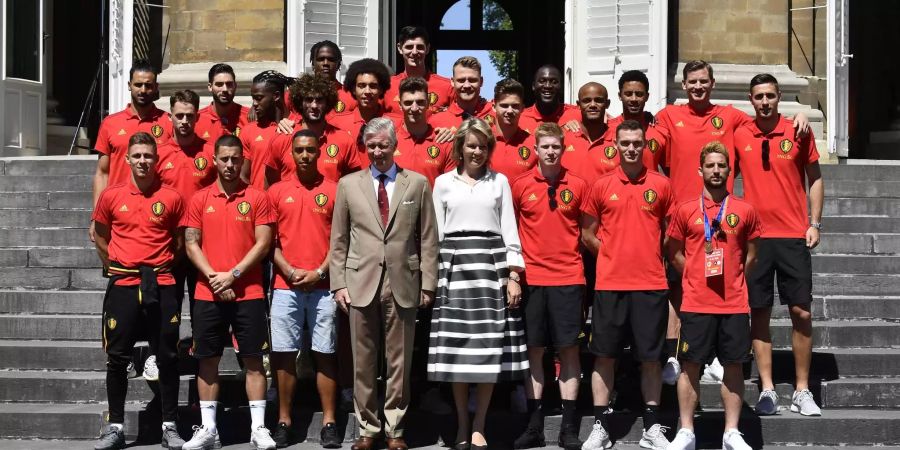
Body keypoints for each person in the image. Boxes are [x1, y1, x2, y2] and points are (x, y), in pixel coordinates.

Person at [654, 60, 806, 384]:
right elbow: (648, 150)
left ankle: (715, 357)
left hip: (723, 216)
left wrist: (798, 118)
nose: (697, 87)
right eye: (692, 81)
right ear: (683, 85)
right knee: (679, 292)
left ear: (713, 84)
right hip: (684, 216)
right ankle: (673, 355)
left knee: (721, 286)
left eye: (703, 81)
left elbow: (764, 120)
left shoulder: (731, 116)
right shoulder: (668, 115)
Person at [330, 117, 439, 450]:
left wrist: (428, 283)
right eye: (372, 145)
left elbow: (429, 239)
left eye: (384, 145)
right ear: (365, 146)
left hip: (402, 283)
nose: (378, 151)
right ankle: (367, 428)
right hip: (359, 282)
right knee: (363, 362)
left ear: (395, 146)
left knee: (399, 361)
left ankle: (395, 429)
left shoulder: (416, 184)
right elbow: (339, 239)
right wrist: (338, 285)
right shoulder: (349, 185)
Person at [429, 117, 529, 450]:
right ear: (460, 148)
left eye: (483, 146)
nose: (477, 151)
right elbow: (435, 236)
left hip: (490, 265)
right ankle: (460, 424)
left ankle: (480, 425)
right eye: (471, 145)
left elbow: (509, 228)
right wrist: (434, 278)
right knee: (458, 352)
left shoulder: (499, 182)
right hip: (454, 270)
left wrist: (513, 275)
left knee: (486, 353)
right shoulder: (443, 183)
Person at [580, 120, 675, 450]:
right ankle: (601, 426)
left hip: (650, 283)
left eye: (638, 142)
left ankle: (652, 427)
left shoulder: (662, 185)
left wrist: (649, 253)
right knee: (604, 357)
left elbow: (669, 233)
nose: (632, 148)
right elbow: (587, 233)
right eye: (626, 143)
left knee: (651, 359)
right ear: (616, 146)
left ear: (645, 145)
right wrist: (609, 254)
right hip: (610, 284)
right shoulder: (601, 186)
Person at [735, 74, 825, 417]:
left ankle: (803, 390)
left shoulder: (798, 130)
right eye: (758, 96)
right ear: (751, 98)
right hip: (755, 239)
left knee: (800, 310)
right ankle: (768, 389)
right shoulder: (740, 132)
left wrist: (814, 223)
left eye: (770, 95)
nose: (765, 101)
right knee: (758, 312)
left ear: (779, 96)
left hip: (792, 235)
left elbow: (815, 177)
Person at [181, 135, 277, 450]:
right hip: (207, 292)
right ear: (215, 159)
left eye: (236, 159)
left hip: (248, 291)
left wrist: (233, 275)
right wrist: (213, 277)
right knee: (207, 360)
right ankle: (209, 430)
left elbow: (263, 243)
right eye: (224, 159)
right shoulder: (199, 198)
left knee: (253, 359)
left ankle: (258, 428)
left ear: (242, 160)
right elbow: (191, 242)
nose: (230, 164)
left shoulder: (257, 197)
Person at [91, 132, 185, 450]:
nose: (143, 161)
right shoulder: (111, 196)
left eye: (149, 155)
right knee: (117, 359)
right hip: (124, 283)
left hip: (161, 283)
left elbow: (180, 241)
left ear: (156, 160)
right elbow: (101, 236)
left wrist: (163, 264)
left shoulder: (172, 198)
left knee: (168, 357)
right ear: (128, 159)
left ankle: (170, 426)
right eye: (138, 156)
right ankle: (115, 427)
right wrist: (114, 264)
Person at [664, 142, 761, 450]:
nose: (716, 170)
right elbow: (673, 251)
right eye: (711, 165)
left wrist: (731, 274)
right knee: (690, 366)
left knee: (734, 366)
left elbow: (752, 254)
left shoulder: (744, 210)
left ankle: (731, 432)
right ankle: (687, 431)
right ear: (700, 170)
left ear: (730, 171)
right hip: (695, 303)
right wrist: (694, 272)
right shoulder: (685, 210)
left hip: (733, 302)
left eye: (722, 166)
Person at [510, 123, 589, 450]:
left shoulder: (580, 185)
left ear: (563, 148)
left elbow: (587, 233)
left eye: (556, 146)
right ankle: (534, 425)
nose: (551, 152)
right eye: (545, 147)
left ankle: (569, 427)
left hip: (569, 279)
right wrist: (514, 275)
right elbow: (511, 232)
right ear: (536, 149)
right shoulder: (520, 185)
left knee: (569, 351)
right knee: (535, 352)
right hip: (533, 280)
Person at [267, 130, 342, 448]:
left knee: (325, 354)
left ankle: (329, 422)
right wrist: (287, 269)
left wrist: (320, 271)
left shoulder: (335, 190)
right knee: (284, 355)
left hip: (324, 287)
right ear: (291, 153)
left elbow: (341, 241)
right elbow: (266, 240)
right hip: (286, 286)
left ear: (319, 151)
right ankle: (284, 420)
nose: (305, 155)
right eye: (299, 150)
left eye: (311, 150)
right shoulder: (276, 191)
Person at [91, 60, 171, 241]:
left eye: (148, 85)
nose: (143, 90)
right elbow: (102, 173)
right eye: (138, 84)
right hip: (118, 213)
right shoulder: (110, 124)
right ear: (129, 85)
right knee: (114, 266)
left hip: (156, 213)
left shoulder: (168, 123)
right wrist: (97, 217)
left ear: (156, 87)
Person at [268, 73, 361, 183]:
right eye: (309, 99)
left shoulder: (344, 140)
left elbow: (354, 184)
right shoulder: (283, 137)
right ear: (300, 102)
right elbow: (270, 188)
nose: (314, 106)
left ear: (328, 103)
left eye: (319, 100)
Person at [393, 76, 456, 186]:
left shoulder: (444, 142)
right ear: (400, 105)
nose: (414, 108)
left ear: (428, 103)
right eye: (408, 103)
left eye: (420, 102)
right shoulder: (391, 141)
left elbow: (451, 189)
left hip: (432, 203)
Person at [382, 25, 454, 116]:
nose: (415, 52)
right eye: (409, 47)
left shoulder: (446, 87)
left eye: (419, 47)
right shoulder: (387, 87)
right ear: (400, 48)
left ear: (427, 49)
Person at [606, 70, 668, 172]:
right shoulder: (607, 129)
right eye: (628, 94)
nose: (634, 99)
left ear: (647, 96)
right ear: (620, 95)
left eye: (639, 94)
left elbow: (670, 171)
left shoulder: (660, 130)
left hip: (650, 188)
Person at [330, 58, 394, 150]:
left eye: (373, 86)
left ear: (381, 89)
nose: (367, 91)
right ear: (353, 90)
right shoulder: (337, 124)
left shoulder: (395, 124)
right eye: (361, 86)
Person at [562, 82, 617, 186]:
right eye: (587, 101)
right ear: (578, 105)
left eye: (598, 100)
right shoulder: (562, 137)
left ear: (607, 103)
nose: (592, 105)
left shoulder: (619, 141)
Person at [240, 70, 288, 190]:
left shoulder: (295, 127)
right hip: (258, 205)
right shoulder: (248, 131)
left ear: (276, 96)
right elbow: (242, 175)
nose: (254, 104)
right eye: (253, 98)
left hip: (288, 204)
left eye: (259, 98)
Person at [284, 40, 357, 118]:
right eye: (321, 59)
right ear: (313, 64)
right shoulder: (294, 94)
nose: (325, 63)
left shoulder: (351, 96)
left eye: (331, 59)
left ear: (338, 64)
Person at [490, 79, 537, 180]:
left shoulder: (534, 144)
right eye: (504, 105)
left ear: (522, 108)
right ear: (494, 106)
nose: (510, 111)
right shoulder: (482, 140)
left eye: (515, 106)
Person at [430, 56, 494, 130]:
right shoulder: (436, 122)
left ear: (481, 81)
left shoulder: (498, 115)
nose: (467, 85)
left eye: (472, 80)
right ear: (452, 82)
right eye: (461, 80)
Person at [195, 63, 251, 142]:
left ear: (235, 86)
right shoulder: (197, 119)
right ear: (210, 87)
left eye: (229, 84)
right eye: (219, 84)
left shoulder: (249, 117)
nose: (225, 89)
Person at [518, 65, 581, 134]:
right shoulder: (520, 118)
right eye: (542, 81)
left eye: (554, 82)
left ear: (561, 87)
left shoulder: (577, 115)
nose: (548, 86)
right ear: (533, 86)